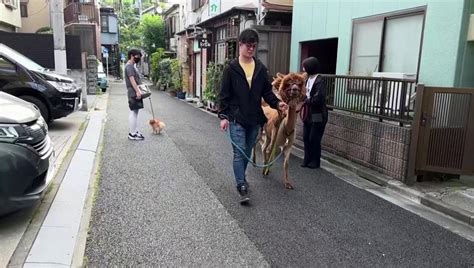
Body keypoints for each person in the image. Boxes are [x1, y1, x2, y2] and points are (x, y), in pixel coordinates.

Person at [218, 29, 288, 203]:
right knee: (239, 152)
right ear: (240, 45)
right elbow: (224, 94)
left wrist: (278, 103)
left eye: (253, 46)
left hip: (254, 118)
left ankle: (242, 178)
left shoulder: (260, 68)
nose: (250, 49)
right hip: (236, 117)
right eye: (247, 45)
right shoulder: (231, 69)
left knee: (248, 151)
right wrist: (224, 116)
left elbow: (267, 92)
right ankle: (241, 185)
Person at [300, 57, 328, 169]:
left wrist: (306, 100)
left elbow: (318, 99)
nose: (303, 69)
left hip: (318, 114)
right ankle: (307, 159)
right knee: (306, 137)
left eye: (305, 67)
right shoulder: (307, 79)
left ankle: (315, 161)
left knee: (314, 138)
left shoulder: (320, 80)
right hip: (309, 113)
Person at [125, 49, 145, 141]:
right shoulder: (129, 66)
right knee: (133, 112)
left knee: (135, 112)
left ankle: (134, 131)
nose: (139, 58)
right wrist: (137, 91)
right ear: (132, 55)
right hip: (133, 92)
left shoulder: (132, 66)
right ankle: (132, 134)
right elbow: (131, 79)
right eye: (137, 56)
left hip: (134, 91)